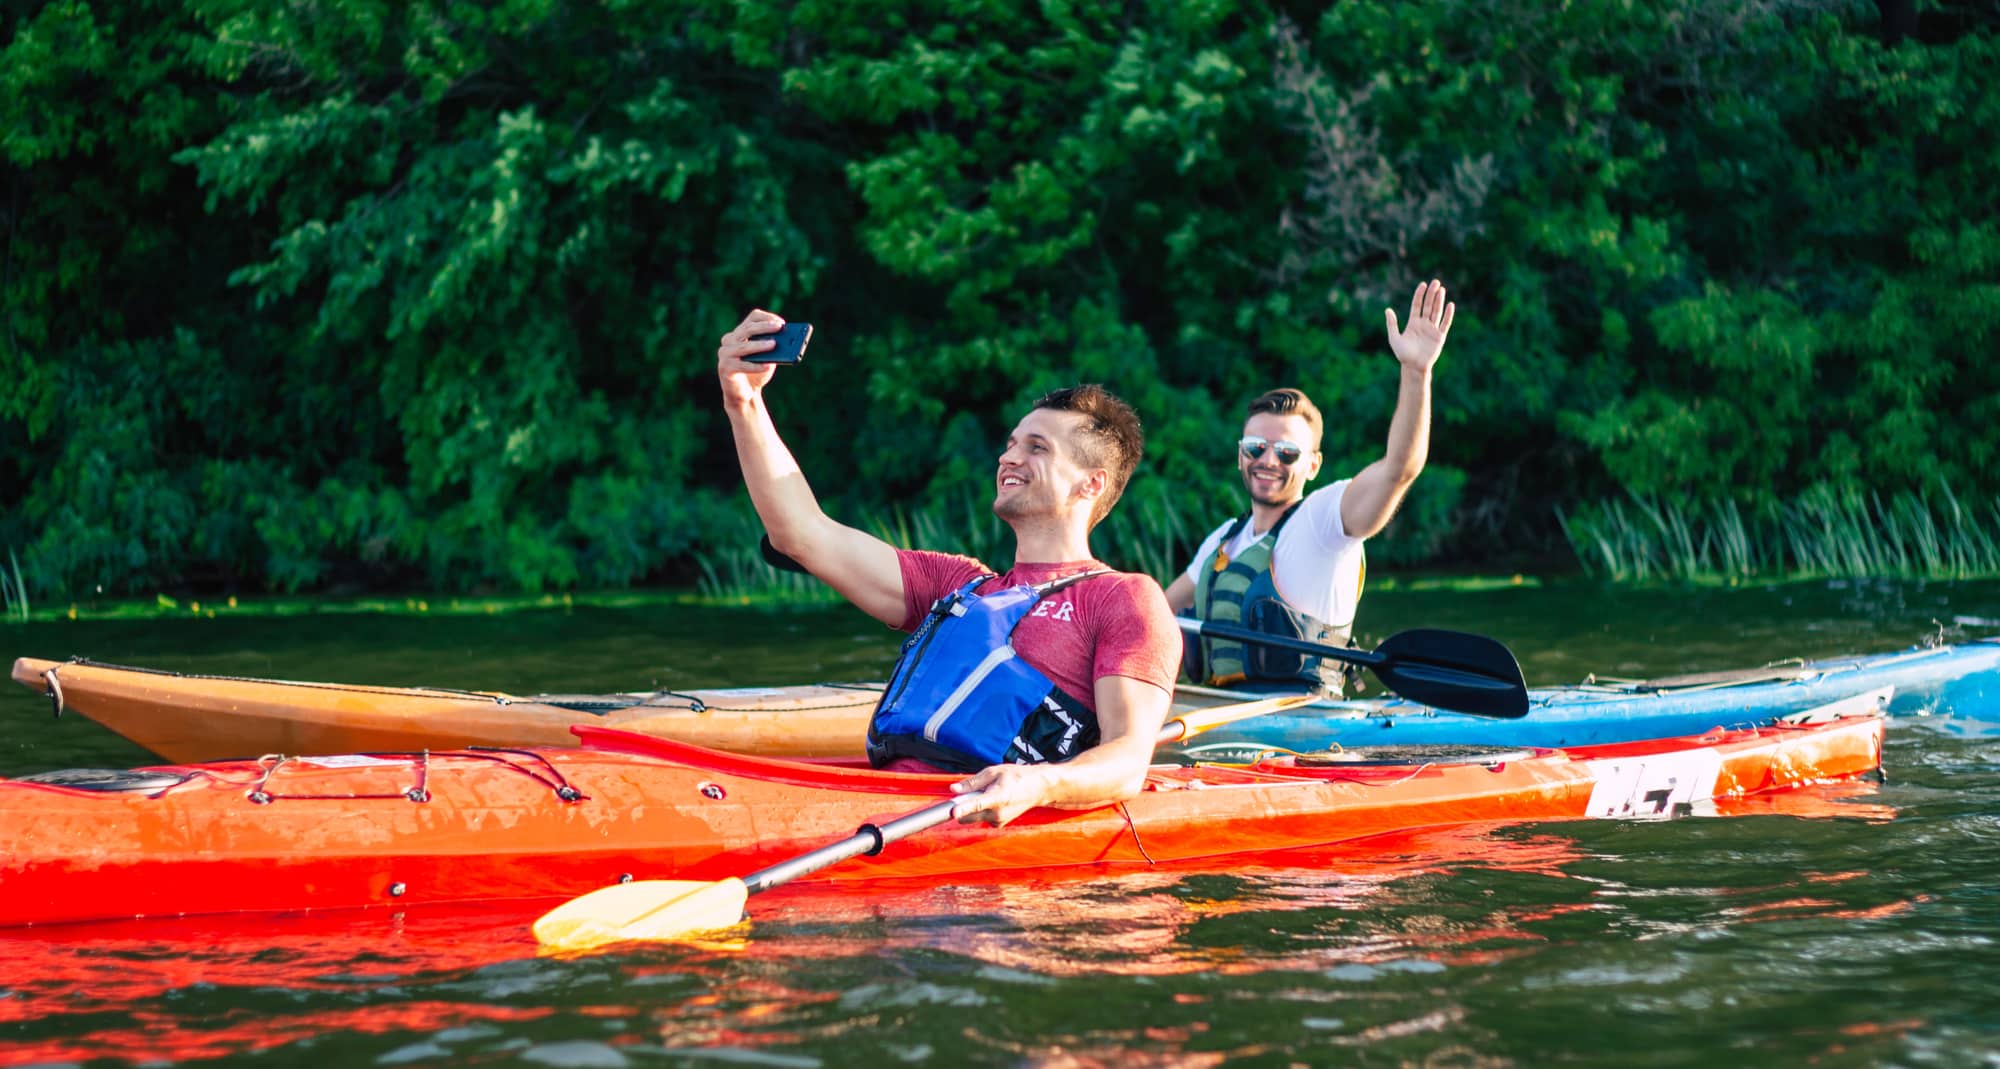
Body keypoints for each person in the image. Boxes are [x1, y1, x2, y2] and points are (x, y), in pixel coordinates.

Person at [716, 308, 1181, 827]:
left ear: (1090, 484)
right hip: (880, 806)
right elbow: (802, 533)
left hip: (971, 824)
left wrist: (1040, 781)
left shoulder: (1123, 598)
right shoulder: (957, 584)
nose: (1008, 458)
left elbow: (1127, 762)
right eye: (1009, 445)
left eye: (1037, 447)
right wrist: (745, 401)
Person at [1165, 279, 1455, 694]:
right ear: (1239, 455)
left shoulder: (1324, 521)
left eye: (1286, 452)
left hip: (1303, 725)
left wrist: (1416, 372)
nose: (1268, 460)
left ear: (1313, 464)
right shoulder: (1222, 540)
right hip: (1215, 715)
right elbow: (1152, 612)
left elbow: (1400, 469)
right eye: (1255, 448)